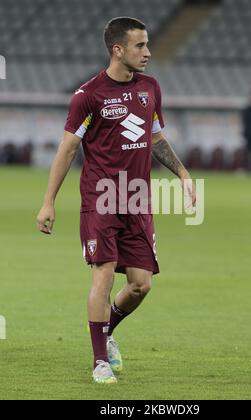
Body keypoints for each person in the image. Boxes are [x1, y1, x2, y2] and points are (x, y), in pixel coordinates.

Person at [37, 17, 196, 384]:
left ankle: (107, 332)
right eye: (140, 46)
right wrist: (48, 202)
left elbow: (155, 139)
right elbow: (68, 149)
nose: (148, 52)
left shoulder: (150, 88)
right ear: (117, 50)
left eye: (147, 44)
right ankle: (99, 361)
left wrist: (184, 174)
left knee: (141, 285)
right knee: (104, 273)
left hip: (137, 199)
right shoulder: (88, 95)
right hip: (101, 198)